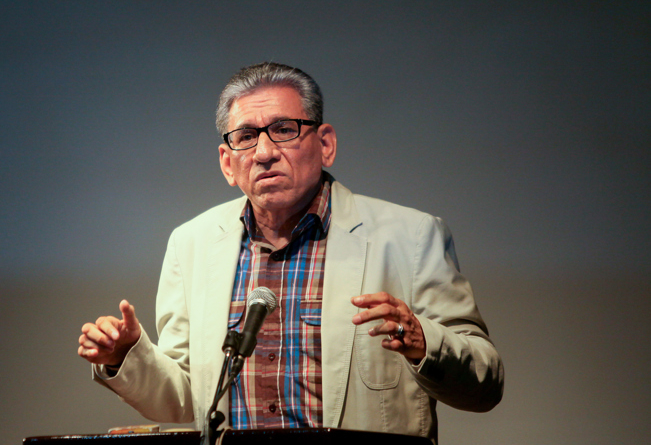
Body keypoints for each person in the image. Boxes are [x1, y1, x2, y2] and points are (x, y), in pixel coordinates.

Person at [78, 62, 503, 442]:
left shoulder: (411, 237)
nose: (264, 153)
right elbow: (187, 398)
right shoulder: (192, 243)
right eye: (246, 137)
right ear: (228, 164)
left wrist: (423, 341)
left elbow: (486, 383)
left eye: (284, 130)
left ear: (325, 144)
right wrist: (128, 356)